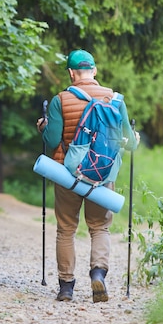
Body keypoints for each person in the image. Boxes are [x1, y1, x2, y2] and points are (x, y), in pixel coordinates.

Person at [36, 50, 139, 302]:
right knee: (100, 227)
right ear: (94, 71)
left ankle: (66, 287)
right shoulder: (114, 100)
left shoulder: (61, 99)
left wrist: (43, 127)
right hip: (102, 176)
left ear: (71, 73)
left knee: (66, 229)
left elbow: (51, 140)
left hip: (68, 175)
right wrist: (134, 140)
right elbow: (128, 142)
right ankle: (98, 274)